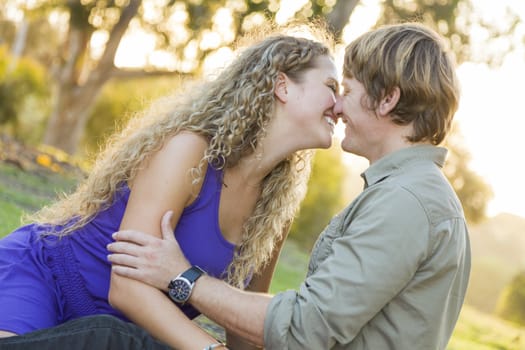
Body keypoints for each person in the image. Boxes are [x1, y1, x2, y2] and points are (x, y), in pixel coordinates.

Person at [107, 22, 471, 349]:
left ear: (388, 99)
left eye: (346, 89)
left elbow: (306, 328)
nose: (338, 107)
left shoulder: (404, 200)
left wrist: (184, 277)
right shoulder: (410, 194)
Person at [0, 25, 340, 349]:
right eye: (331, 87)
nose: (339, 106)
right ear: (282, 86)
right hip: (44, 281)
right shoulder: (190, 152)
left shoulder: (273, 208)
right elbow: (127, 288)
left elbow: (242, 323)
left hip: (121, 335)